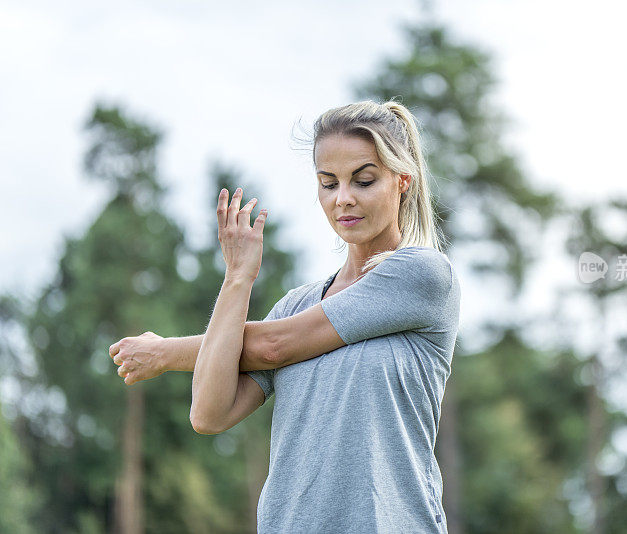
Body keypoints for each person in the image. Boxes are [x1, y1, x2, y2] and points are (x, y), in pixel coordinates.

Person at [108, 99, 461, 533]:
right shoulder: (295, 306)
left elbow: (273, 345)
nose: (344, 199)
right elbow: (208, 413)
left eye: (363, 180)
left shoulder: (421, 275)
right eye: (328, 184)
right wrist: (238, 278)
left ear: (401, 181)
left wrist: (164, 352)